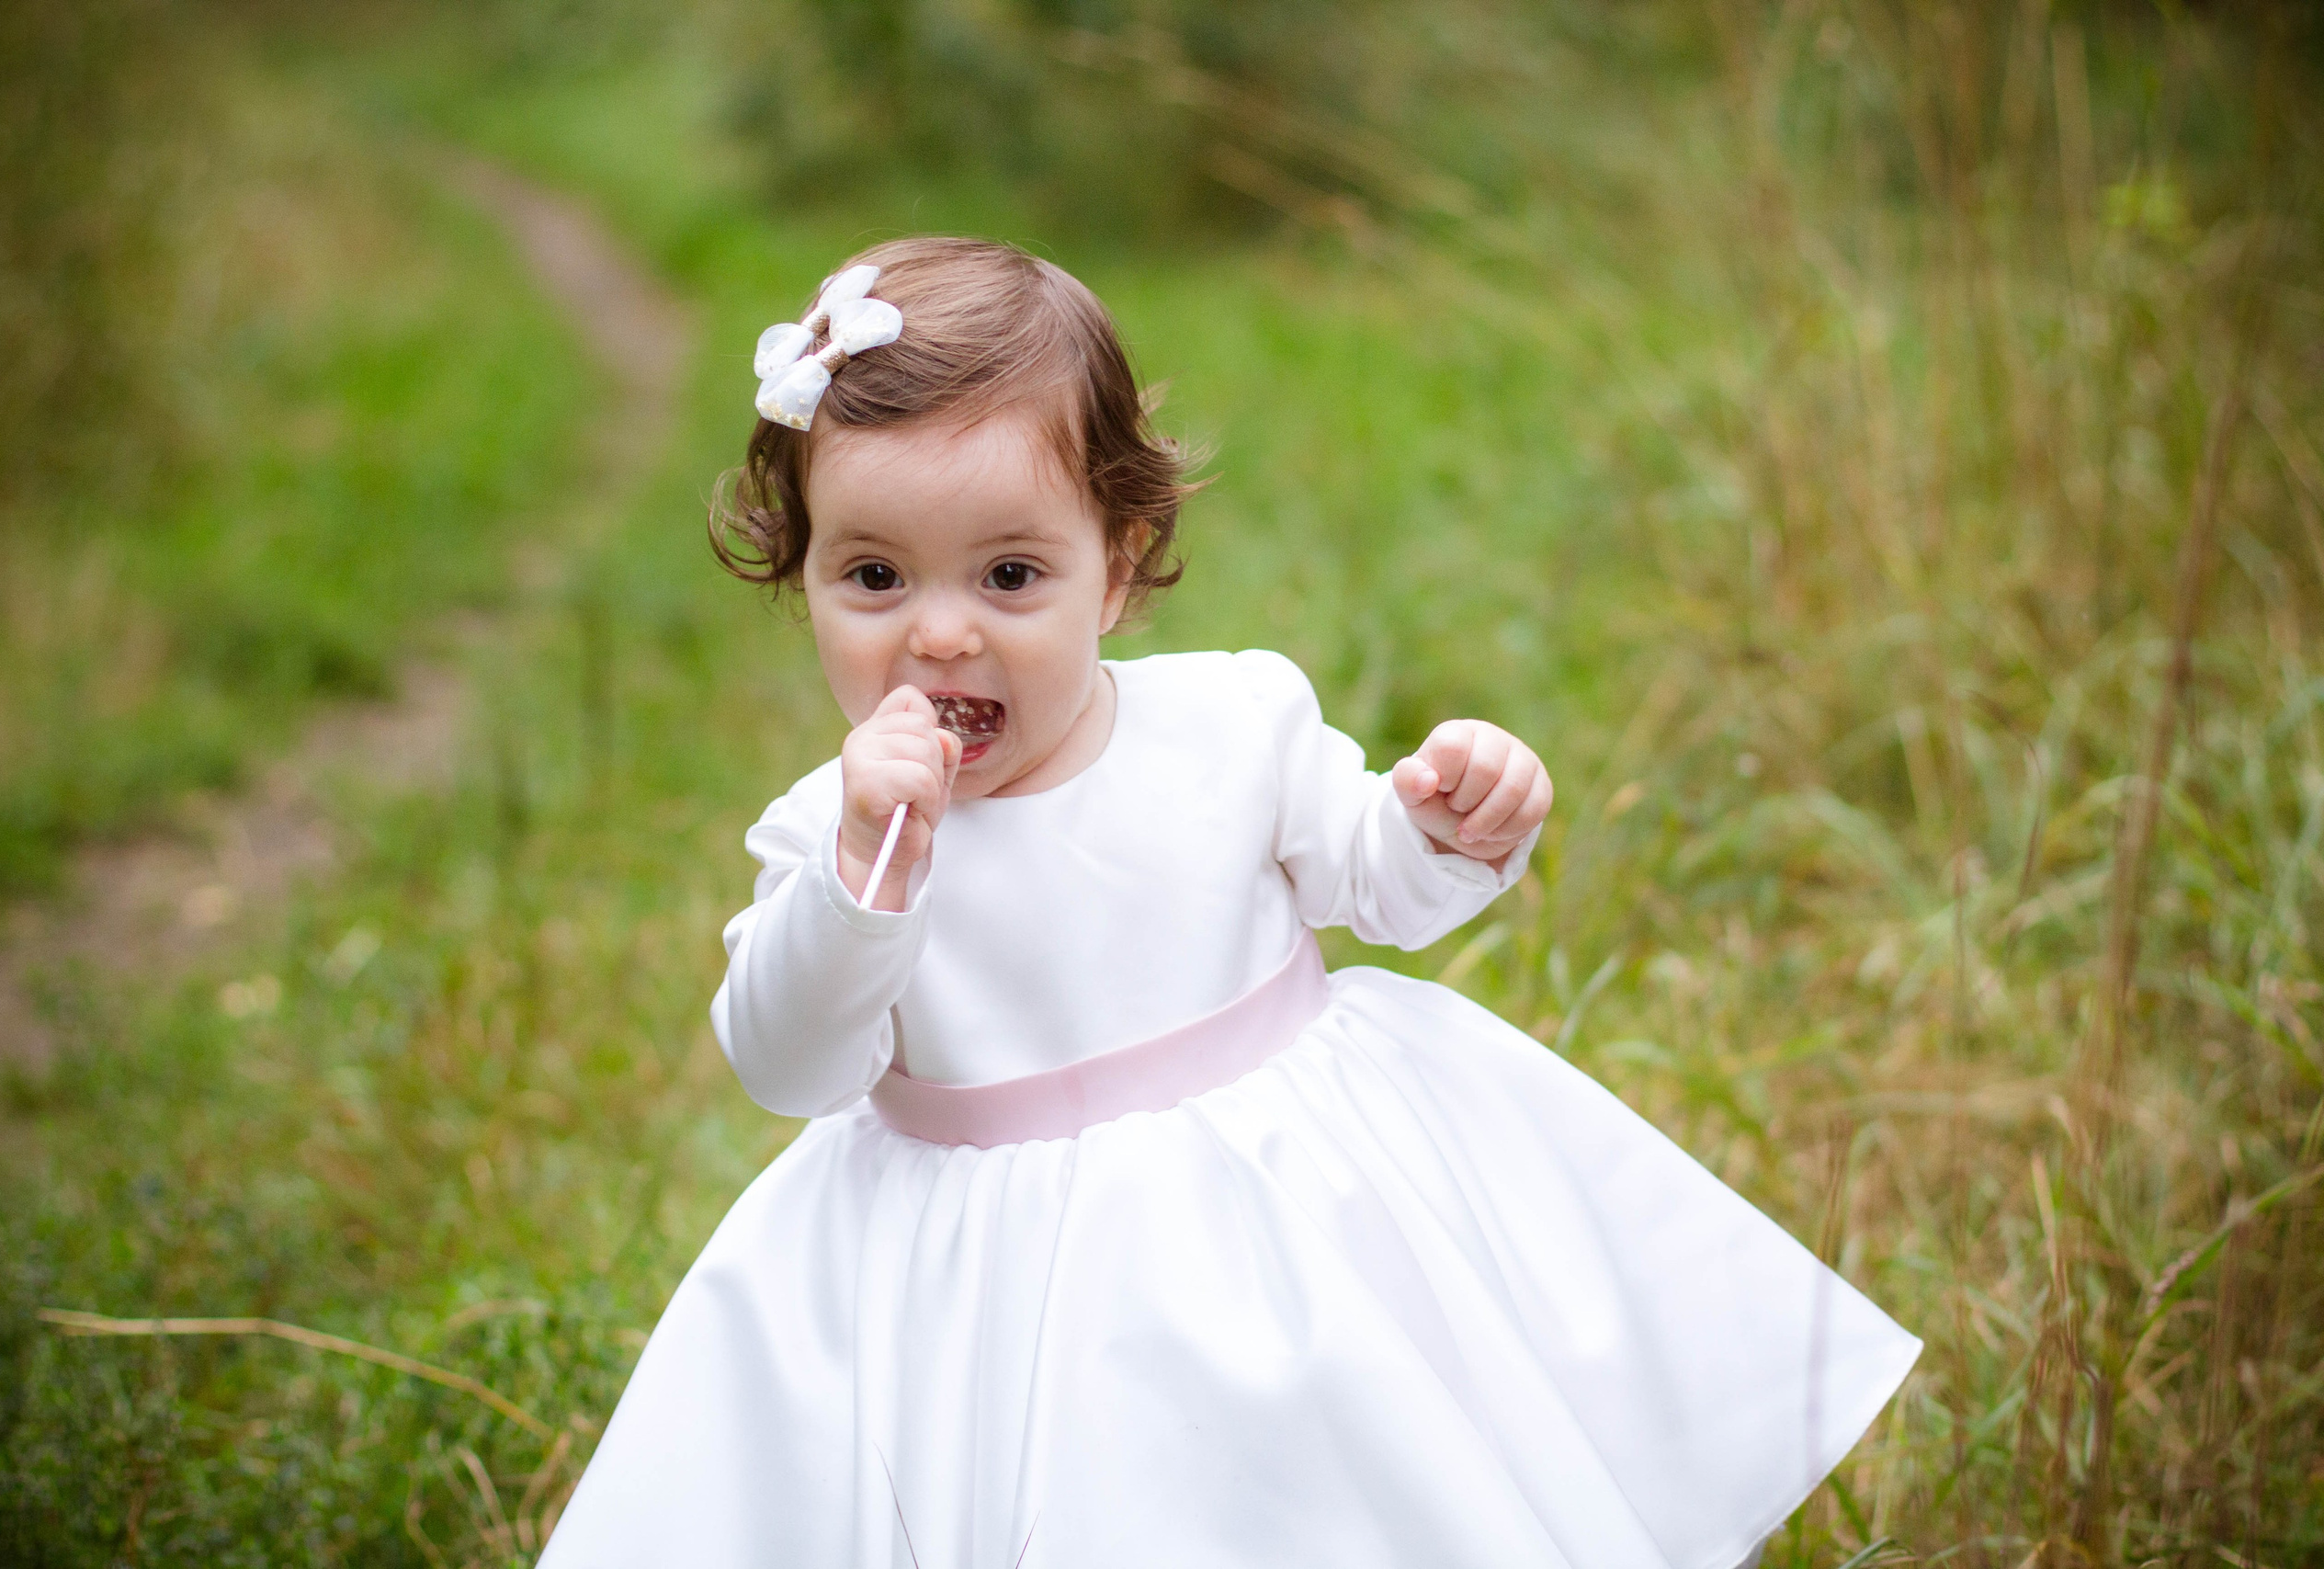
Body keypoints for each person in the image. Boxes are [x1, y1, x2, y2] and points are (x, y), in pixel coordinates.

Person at [539, 237, 1919, 1568]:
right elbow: (789, 1064)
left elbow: (1376, 881)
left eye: (1010, 574)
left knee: (1364, 1507)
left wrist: (1439, 819)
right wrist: (866, 880)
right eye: (873, 576)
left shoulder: (1229, 722)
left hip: (1288, 1242)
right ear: (804, 579)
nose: (940, 630)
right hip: (998, 1313)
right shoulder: (829, 837)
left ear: (1119, 565)